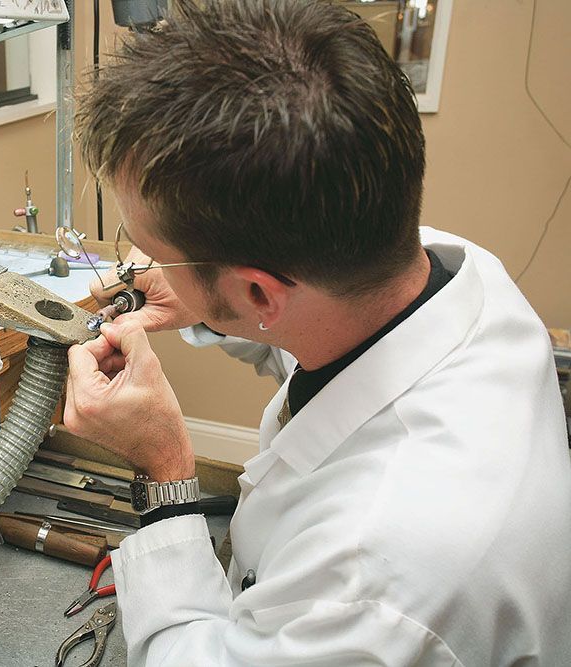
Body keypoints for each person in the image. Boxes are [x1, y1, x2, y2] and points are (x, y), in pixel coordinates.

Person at [63, 1, 571, 664]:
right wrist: (196, 298)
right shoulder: (448, 268)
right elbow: (324, 335)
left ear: (256, 291)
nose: (146, 264)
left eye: (156, 250)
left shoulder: (374, 578)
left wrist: (165, 471)